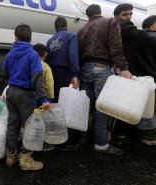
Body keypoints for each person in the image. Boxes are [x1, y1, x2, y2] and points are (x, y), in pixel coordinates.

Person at [77, 4, 132, 155]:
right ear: (100, 12)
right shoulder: (110, 22)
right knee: (101, 106)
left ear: (88, 16)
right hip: (102, 67)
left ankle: (81, 138)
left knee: (83, 104)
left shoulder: (81, 30)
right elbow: (116, 46)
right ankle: (100, 144)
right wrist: (124, 67)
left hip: (84, 68)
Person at [2, 24, 51, 170]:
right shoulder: (32, 55)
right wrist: (44, 99)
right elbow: (37, 79)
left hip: (11, 91)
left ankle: (11, 156)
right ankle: (25, 158)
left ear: (15, 37)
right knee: (29, 126)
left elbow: (4, 74)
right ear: (30, 39)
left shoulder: (10, 54)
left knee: (12, 124)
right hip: (25, 94)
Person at [112, 4, 156, 145]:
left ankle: (123, 134)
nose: (129, 17)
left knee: (126, 103)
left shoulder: (118, 27)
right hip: (125, 71)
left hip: (127, 71)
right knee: (126, 104)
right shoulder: (124, 26)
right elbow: (140, 34)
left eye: (130, 14)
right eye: (125, 14)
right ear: (117, 15)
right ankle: (121, 134)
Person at [45, 16, 82, 150]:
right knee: (67, 106)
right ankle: (65, 142)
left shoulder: (50, 40)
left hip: (52, 75)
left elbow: (47, 59)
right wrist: (75, 74)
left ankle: (52, 137)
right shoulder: (71, 36)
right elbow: (73, 55)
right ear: (67, 26)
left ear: (55, 28)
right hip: (65, 74)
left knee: (54, 106)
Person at [33, 43, 55, 152]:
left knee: (34, 119)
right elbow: (49, 84)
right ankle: (42, 143)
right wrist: (50, 98)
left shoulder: (30, 64)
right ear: (45, 54)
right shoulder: (45, 66)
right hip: (43, 99)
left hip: (32, 98)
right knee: (43, 121)